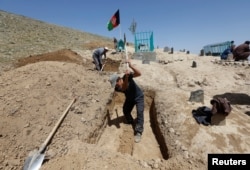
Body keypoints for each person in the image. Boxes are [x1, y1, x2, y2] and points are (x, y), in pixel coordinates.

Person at [109, 60, 144, 143]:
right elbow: (124, 88)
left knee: (140, 112)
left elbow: (139, 73)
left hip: (139, 97)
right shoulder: (118, 87)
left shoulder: (126, 76)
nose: (116, 86)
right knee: (125, 110)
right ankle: (130, 121)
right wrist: (127, 78)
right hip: (129, 99)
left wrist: (131, 66)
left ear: (119, 80)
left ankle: (138, 131)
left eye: (116, 84)